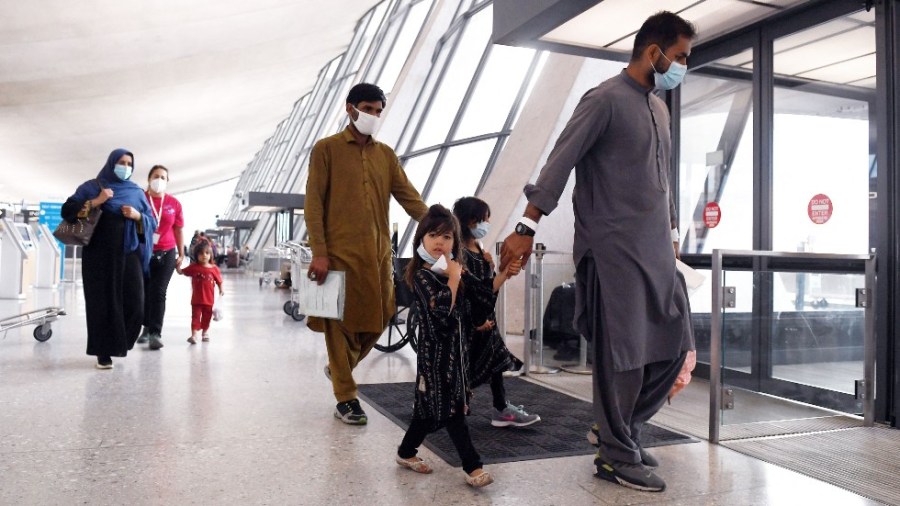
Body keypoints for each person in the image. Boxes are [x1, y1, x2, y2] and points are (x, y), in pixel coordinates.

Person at [498, 11, 697, 493]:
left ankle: (617, 431)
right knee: (624, 355)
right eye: (682, 57)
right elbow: (560, 161)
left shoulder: (660, 108)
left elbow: (664, 181)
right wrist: (526, 225)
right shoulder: (604, 99)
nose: (683, 66)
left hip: (656, 253)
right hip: (612, 251)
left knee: (674, 345)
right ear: (655, 53)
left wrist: (672, 240)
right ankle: (614, 453)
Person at [305, 82, 428, 425]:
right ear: (350, 108)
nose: (373, 116)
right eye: (367, 109)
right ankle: (346, 396)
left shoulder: (385, 155)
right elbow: (313, 203)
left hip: (377, 257)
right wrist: (320, 252)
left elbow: (409, 197)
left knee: (383, 315)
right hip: (337, 256)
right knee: (337, 325)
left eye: (378, 110)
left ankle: (339, 368)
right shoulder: (326, 149)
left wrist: (441, 226)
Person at [396, 204, 493, 488]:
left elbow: (483, 299)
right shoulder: (422, 276)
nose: (440, 242)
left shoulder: (452, 271)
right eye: (434, 235)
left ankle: (405, 452)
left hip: (457, 357)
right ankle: (473, 467)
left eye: (447, 237)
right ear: (422, 239)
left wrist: (492, 273)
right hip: (435, 359)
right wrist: (453, 279)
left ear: (455, 242)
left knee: (426, 413)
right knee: (452, 411)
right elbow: (440, 312)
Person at [61, 148, 156, 369]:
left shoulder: (136, 192)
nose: (126, 167)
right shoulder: (92, 187)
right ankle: (104, 352)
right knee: (102, 303)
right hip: (98, 255)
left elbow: (151, 221)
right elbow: (67, 211)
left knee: (136, 304)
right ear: (111, 163)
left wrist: (137, 215)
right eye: (121, 162)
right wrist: (96, 201)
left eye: (129, 163)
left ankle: (121, 341)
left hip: (128, 252)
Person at [452, 197, 539, 427]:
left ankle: (500, 408)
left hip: (485, 319)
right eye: (485, 219)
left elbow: (487, 285)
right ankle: (438, 401)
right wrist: (503, 274)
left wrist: (496, 268)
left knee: (496, 360)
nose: (487, 223)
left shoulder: (478, 249)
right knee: (464, 365)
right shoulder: (459, 254)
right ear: (472, 220)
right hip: (471, 321)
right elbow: (475, 291)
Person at [137, 165, 185, 350]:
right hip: (144, 252)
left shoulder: (174, 203)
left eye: (163, 177)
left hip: (167, 252)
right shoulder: (141, 199)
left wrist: (181, 253)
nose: (159, 180)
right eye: (156, 176)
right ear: (149, 179)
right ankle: (146, 327)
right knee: (144, 292)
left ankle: (155, 332)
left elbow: (178, 229)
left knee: (158, 292)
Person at [175, 241, 224, 344]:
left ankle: (205, 332)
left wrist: (221, 289)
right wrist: (177, 266)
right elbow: (181, 272)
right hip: (196, 300)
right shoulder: (194, 267)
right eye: (201, 254)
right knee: (195, 318)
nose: (204, 256)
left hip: (209, 300)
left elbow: (219, 280)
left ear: (211, 254)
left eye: (207, 253)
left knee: (207, 318)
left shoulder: (214, 269)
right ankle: (194, 335)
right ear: (196, 256)